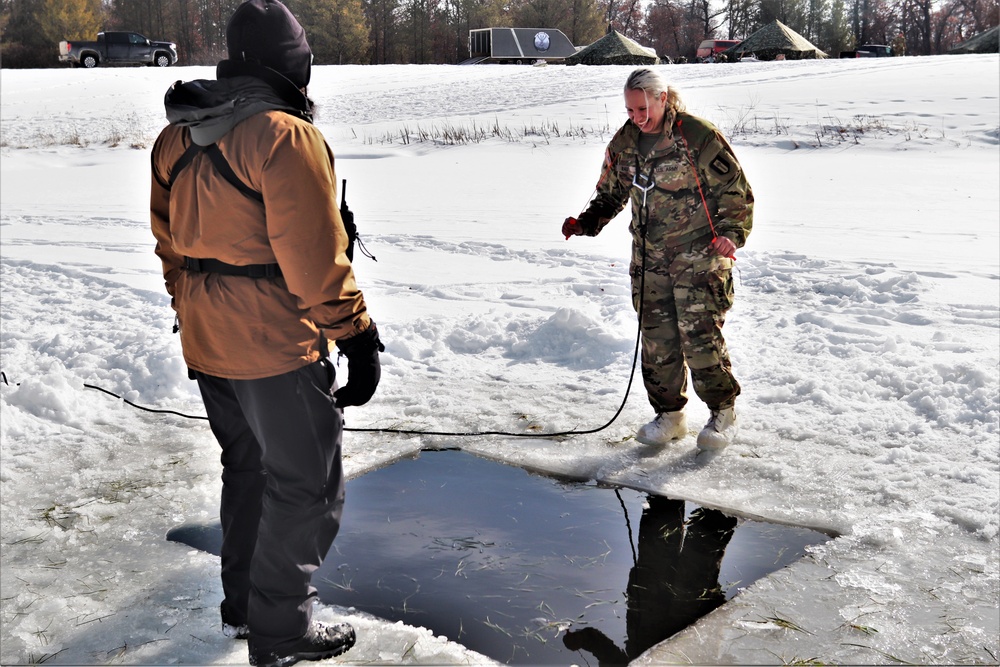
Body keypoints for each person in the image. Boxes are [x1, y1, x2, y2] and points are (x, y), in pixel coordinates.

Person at [149, 1, 382, 665]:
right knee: (306, 484)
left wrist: (192, 304)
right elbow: (313, 258)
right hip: (273, 345)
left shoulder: (177, 137)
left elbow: (169, 243)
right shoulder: (284, 137)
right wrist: (358, 336)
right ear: (289, 63)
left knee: (247, 465)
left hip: (206, 339)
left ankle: (244, 606)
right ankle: (279, 628)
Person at [563, 67, 752, 451]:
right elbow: (611, 192)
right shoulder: (626, 142)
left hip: (699, 255)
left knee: (699, 337)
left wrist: (732, 234)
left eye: (642, 108)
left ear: (663, 98)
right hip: (650, 259)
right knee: (657, 340)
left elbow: (735, 190)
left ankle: (723, 412)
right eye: (630, 110)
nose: (636, 117)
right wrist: (586, 223)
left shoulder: (696, 135)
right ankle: (670, 415)